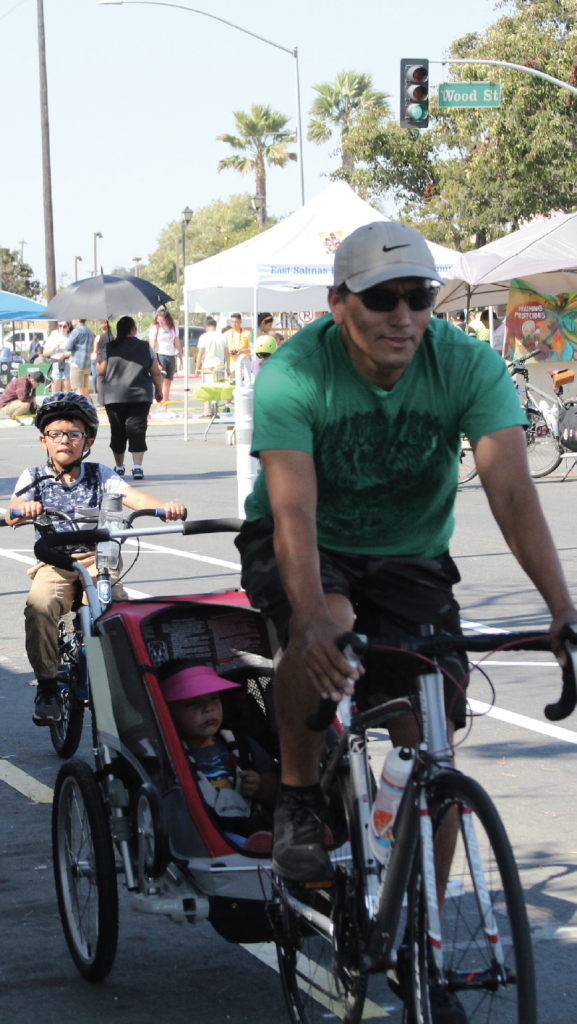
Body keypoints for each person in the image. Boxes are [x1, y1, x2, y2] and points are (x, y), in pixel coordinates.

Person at [235, 221, 577, 902]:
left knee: (431, 751)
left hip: (409, 555)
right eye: (380, 298)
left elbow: (511, 491)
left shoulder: (466, 364)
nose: (401, 317)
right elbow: (293, 511)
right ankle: (299, 797)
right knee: (325, 624)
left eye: (417, 297)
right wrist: (308, 616)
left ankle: (426, 946)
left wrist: (561, 610)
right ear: (338, 303)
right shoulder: (295, 371)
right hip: (306, 543)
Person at [5, 391, 185, 726]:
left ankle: (126, 683)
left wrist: (163, 508)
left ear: (87, 442)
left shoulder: (100, 473)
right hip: (55, 562)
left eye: (75, 434)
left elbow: (131, 495)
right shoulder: (34, 476)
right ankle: (46, 686)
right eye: (56, 433)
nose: (65, 440)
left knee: (115, 609)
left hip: (97, 560)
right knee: (39, 607)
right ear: (44, 439)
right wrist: (22, 509)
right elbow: (14, 508)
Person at [161, 664, 278, 844]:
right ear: (168, 712)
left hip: (256, 823)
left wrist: (260, 787)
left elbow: (275, 786)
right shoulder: (171, 756)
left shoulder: (242, 743)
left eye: (214, 698)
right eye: (192, 703)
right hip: (212, 837)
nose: (208, 708)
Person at [97, 315, 163, 481]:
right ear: (134, 329)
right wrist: (159, 390)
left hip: (114, 396)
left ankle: (119, 468)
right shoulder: (145, 346)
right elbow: (155, 371)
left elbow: (100, 371)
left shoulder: (109, 347)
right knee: (138, 429)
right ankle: (137, 467)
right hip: (139, 395)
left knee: (117, 431)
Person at [148, 308, 182, 417]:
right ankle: (159, 408)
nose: (161, 323)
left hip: (171, 356)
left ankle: (165, 407)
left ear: (167, 320)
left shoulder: (174, 328)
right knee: (160, 383)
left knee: (167, 383)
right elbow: (152, 346)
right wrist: (155, 361)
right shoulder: (155, 328)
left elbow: (177, 343)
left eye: (162, 321)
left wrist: (181, 359)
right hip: (160, 355)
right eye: (159, 321)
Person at [63, 319, 95, 399]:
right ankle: (90, 409)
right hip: (87, 365)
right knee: (85, 391)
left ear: (78, 319)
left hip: (77, 364)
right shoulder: (90, 332)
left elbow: (67, 347)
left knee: (78, 391)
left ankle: (81, 410)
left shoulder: (76, 331)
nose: (72, 320)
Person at [44, 321, 72, 394]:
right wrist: (54, 348)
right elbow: (45, 352)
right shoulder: (53, 337)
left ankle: (65, 405)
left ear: (68, 327)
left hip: (67, 364)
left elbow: (76, 352)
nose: (62, 328)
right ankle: (56, 404)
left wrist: (66, 354)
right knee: (55, 392)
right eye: (60, 326)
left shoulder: (71, 337)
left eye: (64, 326)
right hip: (56, 363)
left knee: (66, 392)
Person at [91, 320, 113, 406]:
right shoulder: (112, 337)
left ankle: (101, 401)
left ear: (101, 328)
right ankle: (110, 400)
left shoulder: (98, 337)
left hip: (100, 359)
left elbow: (95, 350)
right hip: (110, 359)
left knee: (100, 380)